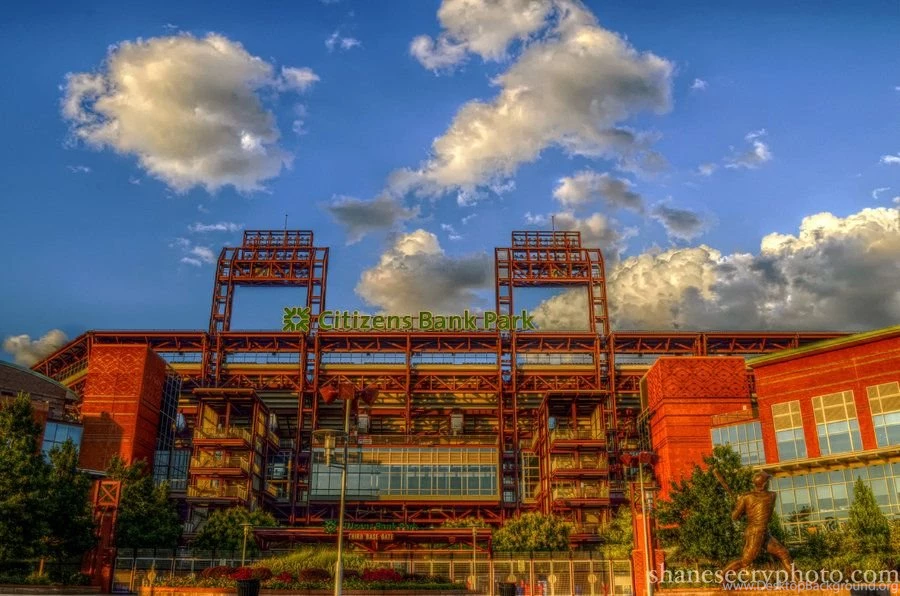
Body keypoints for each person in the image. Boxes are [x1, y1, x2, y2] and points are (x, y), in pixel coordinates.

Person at [724, 470, 792, 574]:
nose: (769, 483)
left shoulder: (747, 497)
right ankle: (723, 575)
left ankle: (799, 581)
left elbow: (734, 517)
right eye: (767, 481)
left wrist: (740, 504)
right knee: (746, 561)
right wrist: (744, 502)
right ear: (764, 484)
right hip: (756, 533)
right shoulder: (772, 495)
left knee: (783, 553)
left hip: (763, 532)